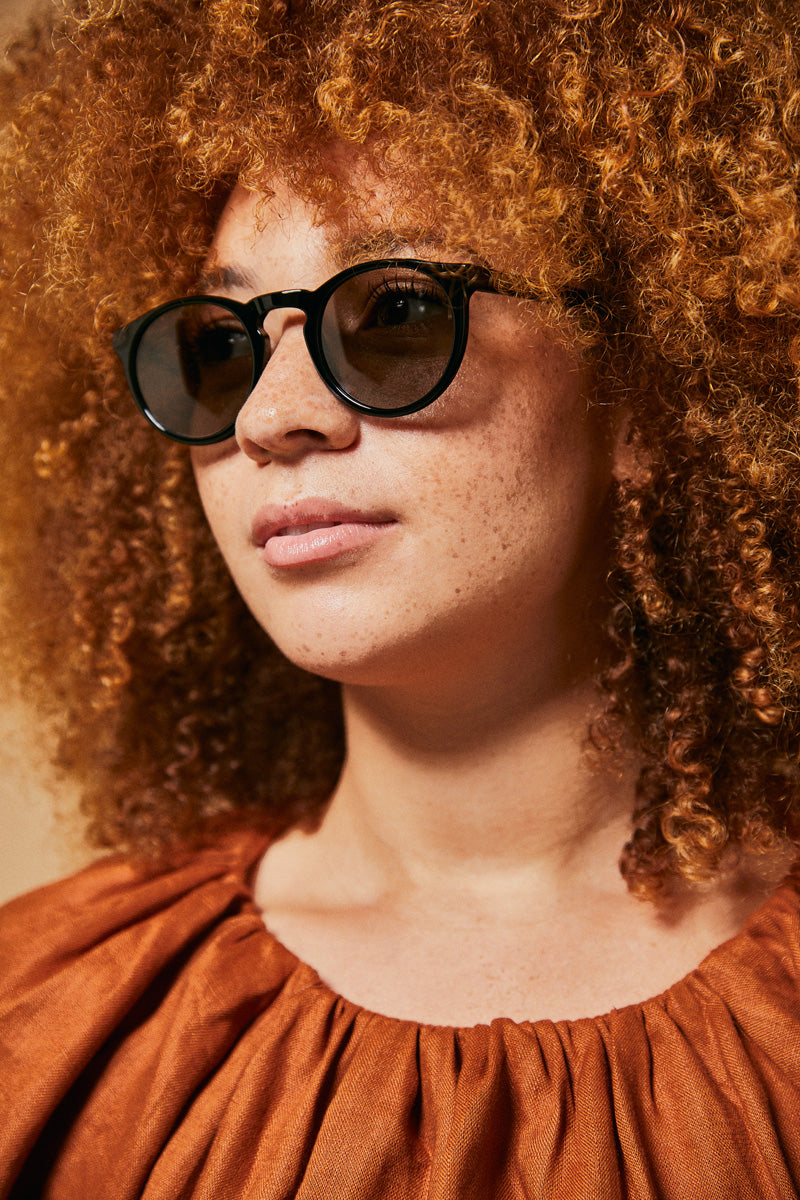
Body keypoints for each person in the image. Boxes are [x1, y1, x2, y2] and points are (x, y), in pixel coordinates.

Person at [1, 0, 799, 1195]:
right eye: (220, 346)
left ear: (645, 392)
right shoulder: (49, 1019)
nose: (272, 419)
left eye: (395, 315)